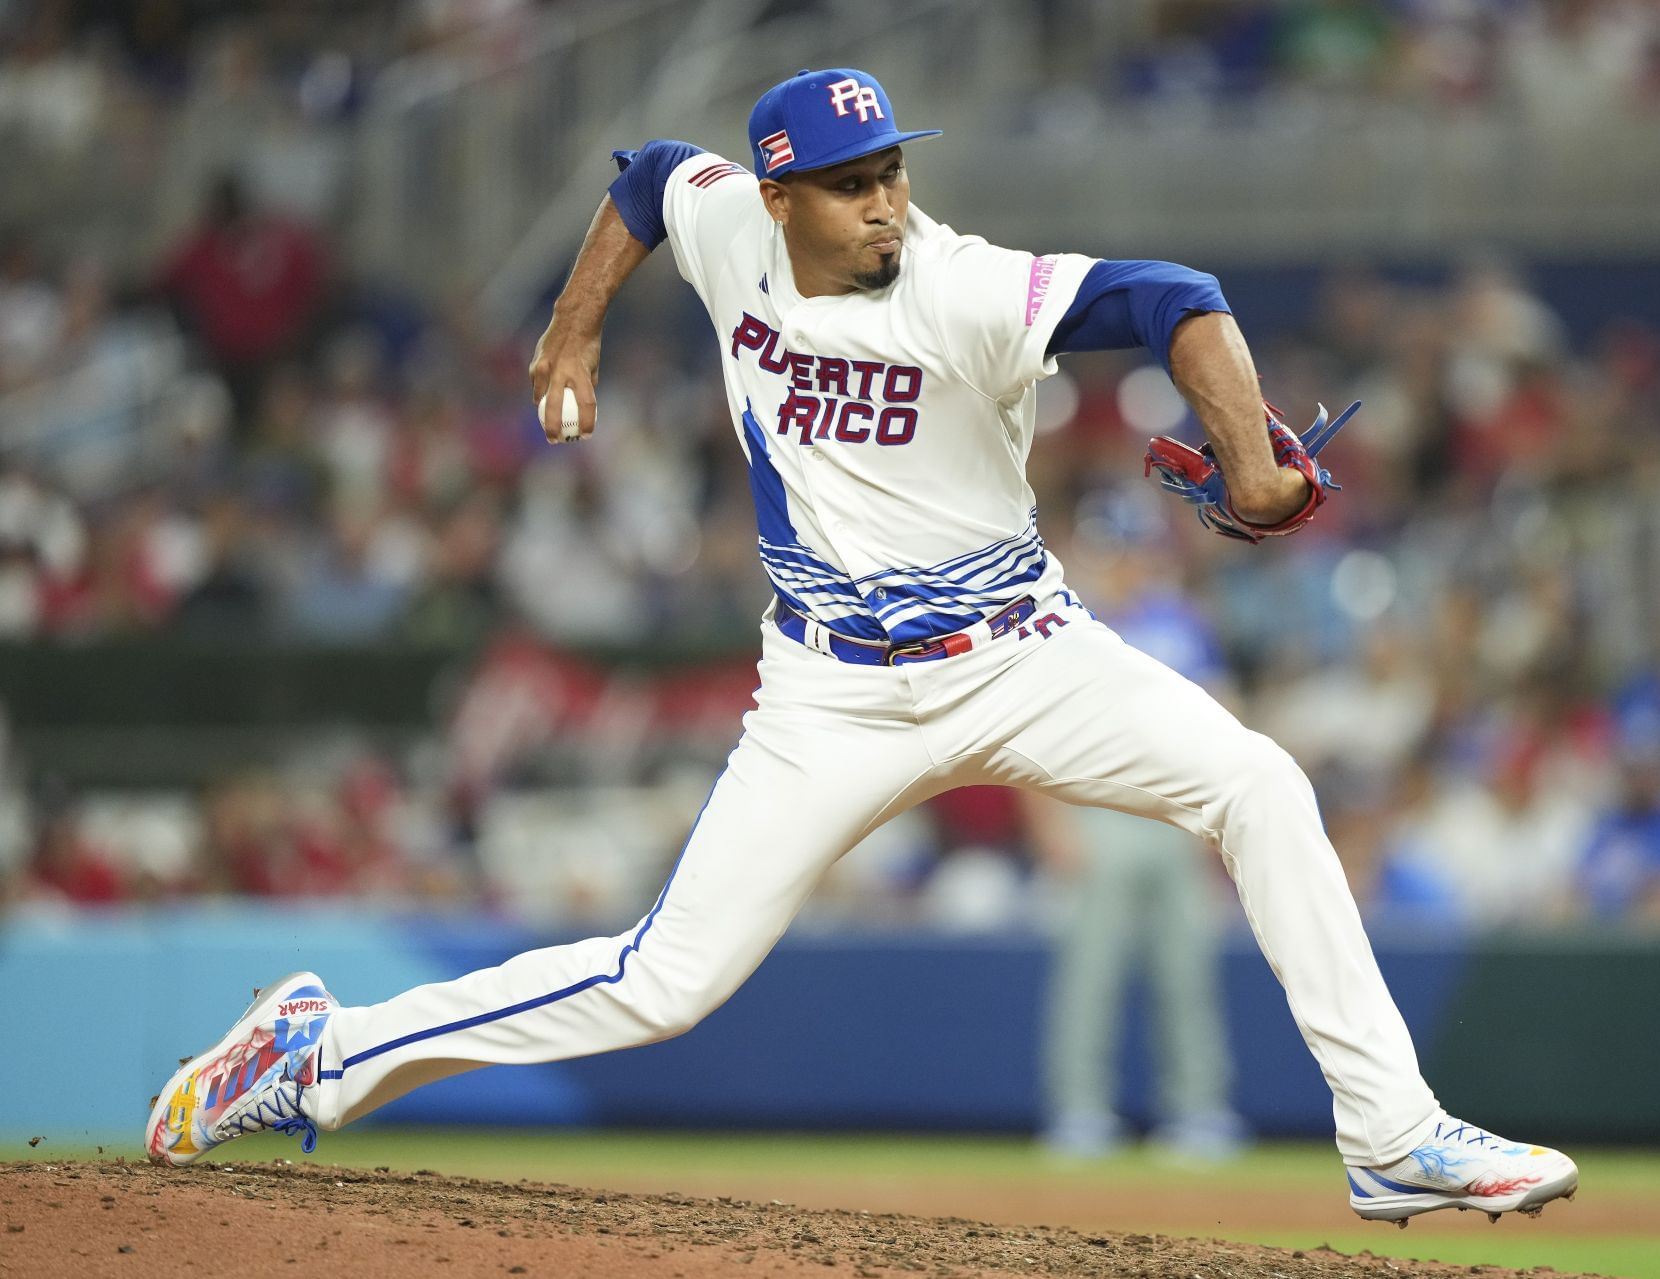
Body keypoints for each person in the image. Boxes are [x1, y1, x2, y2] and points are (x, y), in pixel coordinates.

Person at [145, 67, 1578, 1226]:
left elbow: (1169, 291)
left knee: (1260, 782)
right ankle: (319, 1053)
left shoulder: (960, 285)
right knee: (666, 983)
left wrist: (1246, 456)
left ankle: (1390, 1134)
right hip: (828, 691)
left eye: (892, 167)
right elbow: (646, 173)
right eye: (851, 183)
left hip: (1021, 653)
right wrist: (572, 330)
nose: (887, 200)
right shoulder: (726, 227)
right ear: (779, 199)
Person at [1031, 496, 1246, 1163]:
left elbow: (1225, 718)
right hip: (1098, 814)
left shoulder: (1181, 623)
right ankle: (1079, 1109)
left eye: (1133, 548)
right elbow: (1027, 734)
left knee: (1185, 972)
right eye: (1114, 548)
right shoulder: (1066, 625)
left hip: (1174, 815)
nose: (1125, 561)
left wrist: (1219, 820)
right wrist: (1049, 823)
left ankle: (1199, 1109)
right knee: (1090, 974)